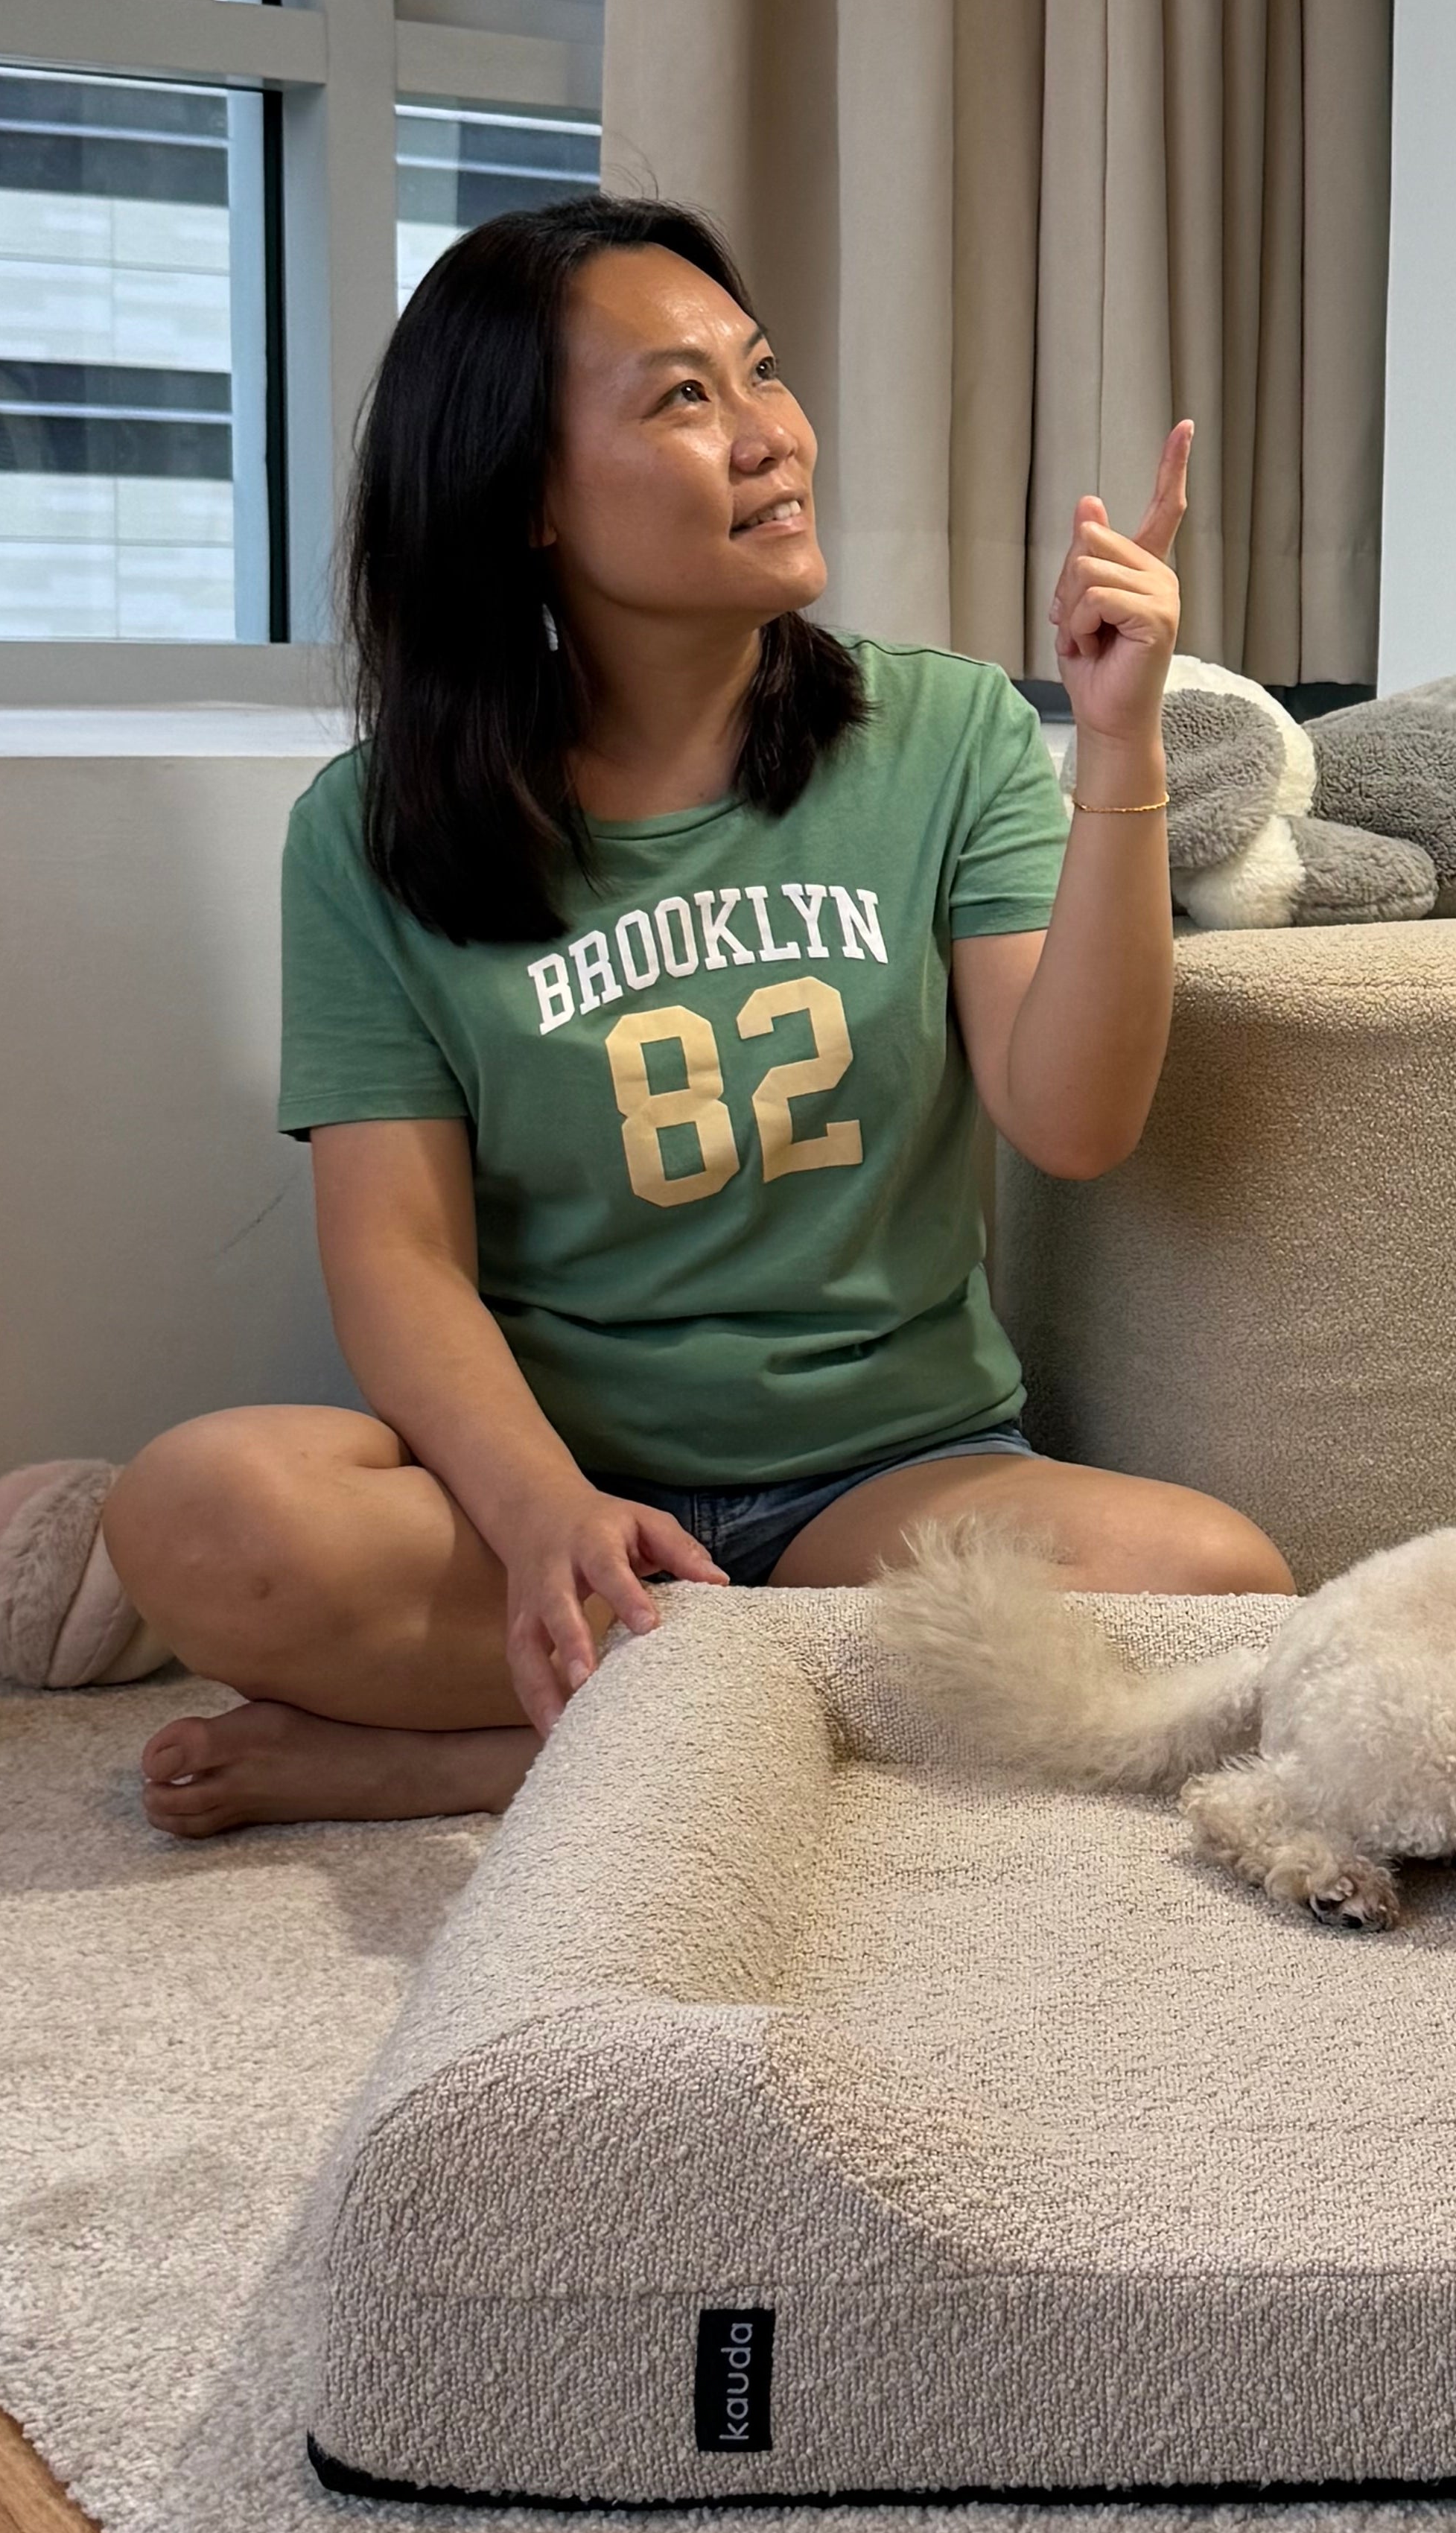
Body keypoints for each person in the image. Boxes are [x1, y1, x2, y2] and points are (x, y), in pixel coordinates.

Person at [107, 194, 1288, 1838]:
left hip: (886, 1484)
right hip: (540, 1489)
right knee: (196, 1512)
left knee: (1221, 1588)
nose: (769, 436)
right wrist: (544, 1512)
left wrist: (1117, 745)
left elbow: (1075, 1123)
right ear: (527, 496)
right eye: (681, 398)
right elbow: (398, 1257)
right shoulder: (374, 831)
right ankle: (773, 1710)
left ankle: (497, 1758)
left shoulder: (945, 735)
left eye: (763, 372)